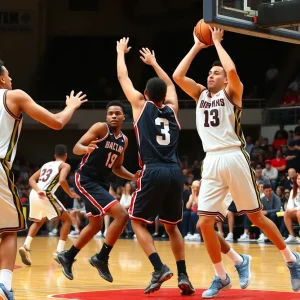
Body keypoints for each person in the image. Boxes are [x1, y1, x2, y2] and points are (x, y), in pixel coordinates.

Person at [173, 27, 300, 297]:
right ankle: (222, 275)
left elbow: (232, 72)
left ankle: (292, 259)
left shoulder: (232, 93)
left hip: (233, 155)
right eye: (209, 72)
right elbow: (177, 76)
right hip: (212, 160)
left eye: (215, 73)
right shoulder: (200, 95)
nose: (211, 75)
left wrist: (217, 43)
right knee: (203, 223)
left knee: (255, 216)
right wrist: (197, 45)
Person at [0, 59, 87, 300]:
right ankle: (3, 285)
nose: (11, 80)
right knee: (8, 231)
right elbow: (57, 122)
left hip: (37, 191)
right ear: (1, 79)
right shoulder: (12, 95)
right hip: (2, 168)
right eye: (8, 76)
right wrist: (71, 106)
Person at [117, 37, 194, 295]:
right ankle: (183, 274)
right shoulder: (173, 110)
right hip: (175, 172)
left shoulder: (140, 106)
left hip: (153, 169)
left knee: (137, 222)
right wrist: (154, 63)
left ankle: (158, 267)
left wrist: (120, 53)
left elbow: (123, 79)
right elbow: (171, 84)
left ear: (146, 94)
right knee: (172, 227)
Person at [56, 101, 141, 282]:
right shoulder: (101, 128)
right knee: (122, 215)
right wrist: (86, 148)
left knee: (95, 226)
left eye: (117, 113)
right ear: (106, 116)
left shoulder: (123, 140)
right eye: (110, 113)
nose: (113, 116)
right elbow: (76, 147)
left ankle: (68, 256)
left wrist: (133, 177)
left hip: (102, 183)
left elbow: (117, 167)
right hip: (86, 179)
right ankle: (101, 257)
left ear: (124, 117)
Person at [18, 144, 78, 265]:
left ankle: (26, 246)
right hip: (46, 194)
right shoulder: (65, 165)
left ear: (54, 155)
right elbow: (62, 180)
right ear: (65, 155)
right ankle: (59, 252)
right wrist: (70, 194)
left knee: (39, 221)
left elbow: (31, 179)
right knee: (67, 220)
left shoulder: (46, 164)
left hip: (34, 193)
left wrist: (38, 189)